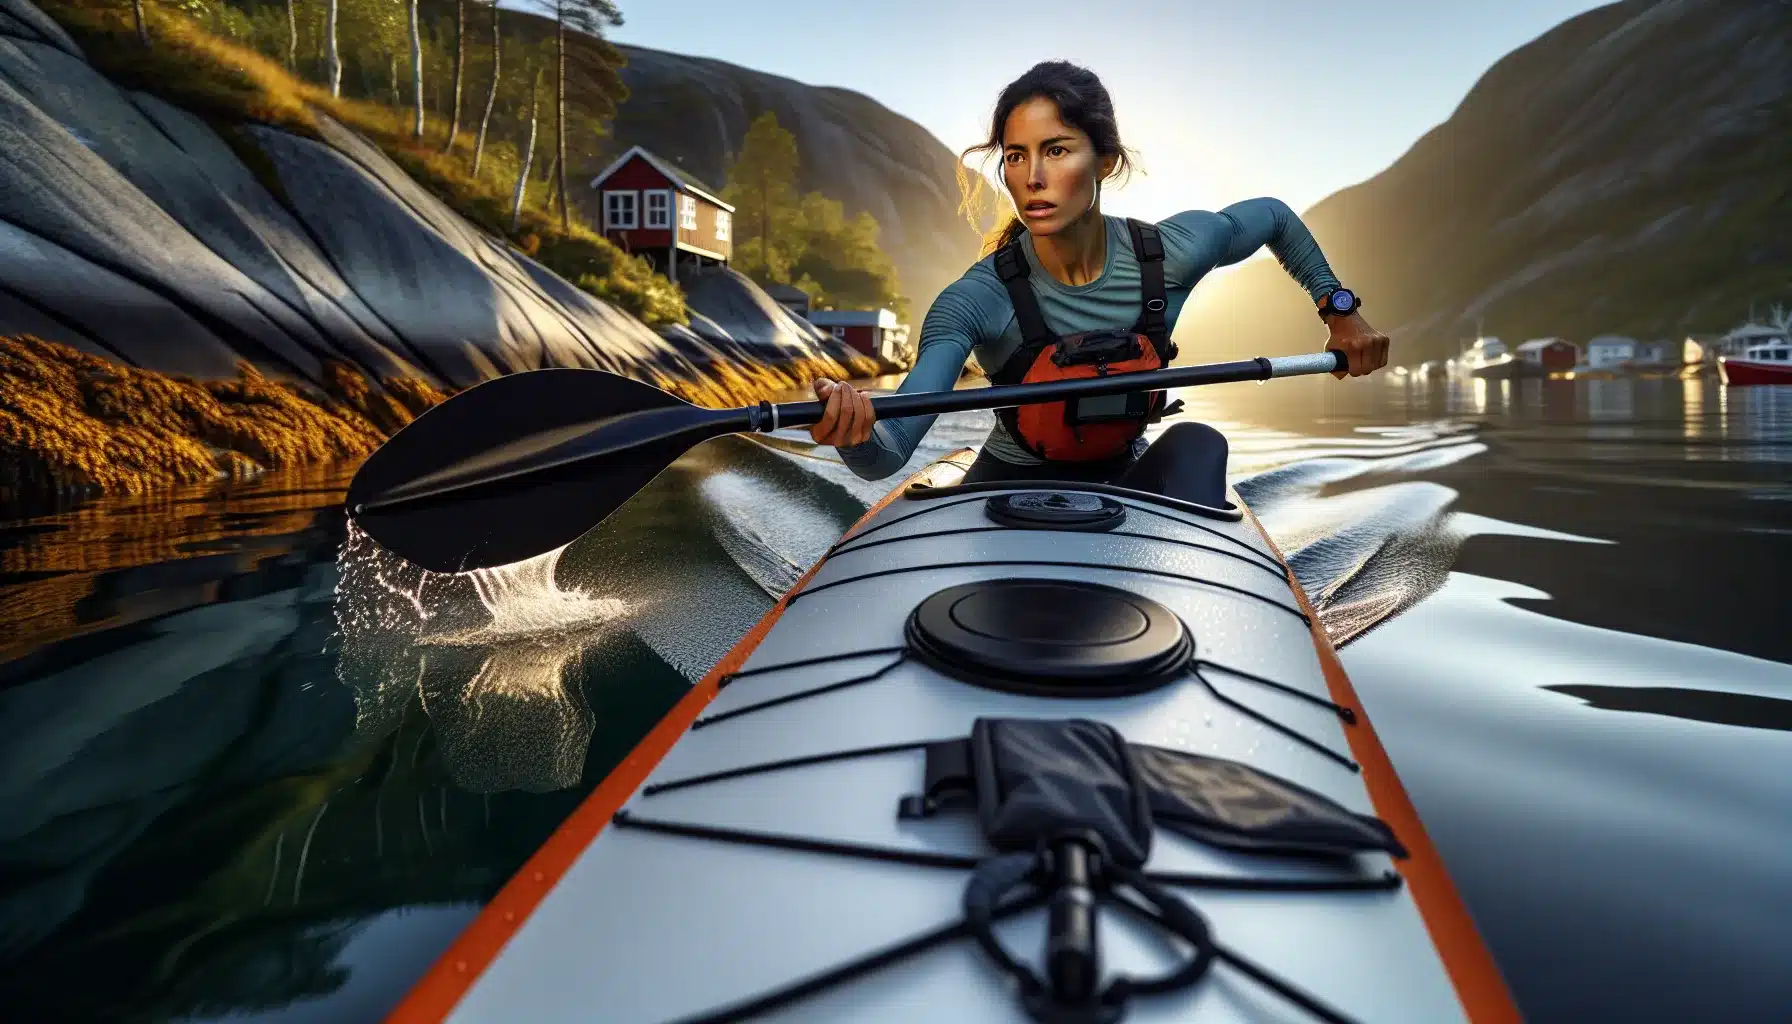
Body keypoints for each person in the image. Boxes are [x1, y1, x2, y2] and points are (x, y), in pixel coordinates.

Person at [807, 60, 1388, 508]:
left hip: (1127, 479)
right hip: (1004, 490)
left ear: (1104, 160)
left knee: (1201, 445)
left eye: (1056, 151)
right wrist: (853, 431)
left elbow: (1272, 216)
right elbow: (888, 454)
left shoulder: (1170, 256)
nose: (1032, 178)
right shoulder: (975, 300)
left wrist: (1339, 310)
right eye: (1015, 156)